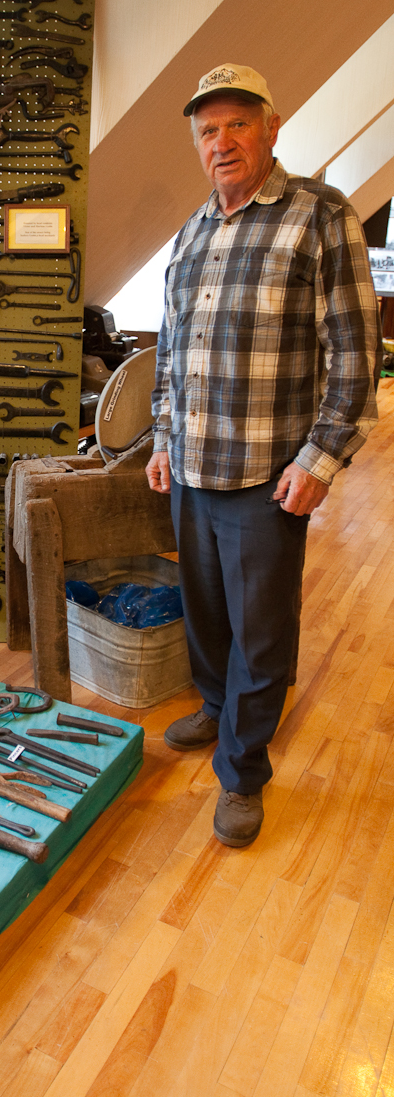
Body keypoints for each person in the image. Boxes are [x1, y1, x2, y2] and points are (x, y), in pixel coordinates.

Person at [146, 63, 381, 848]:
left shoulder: (318, 216)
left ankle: (242, 770)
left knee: (262, 629)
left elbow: (355, 351)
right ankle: (215, 710)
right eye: (207, 131)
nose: (222, 143)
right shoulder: (190, 233)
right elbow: (169, 350)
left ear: (271, 128)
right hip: (190, 465)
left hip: (265, 475)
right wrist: (159, 434)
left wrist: (319, 459)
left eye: (237, 124)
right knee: (205, 613)